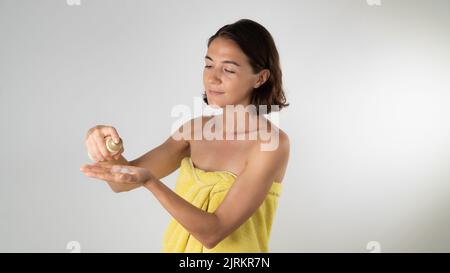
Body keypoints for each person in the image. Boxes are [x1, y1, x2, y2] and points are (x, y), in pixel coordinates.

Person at [80, 18, 290, 252]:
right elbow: (121, 184)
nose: (213, 77)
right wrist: (105, 147)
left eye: (228, 69)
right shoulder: (194, 130)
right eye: (209, 65)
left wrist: (151, 182)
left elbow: (213, 232)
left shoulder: (271, 143)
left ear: (260, 78)